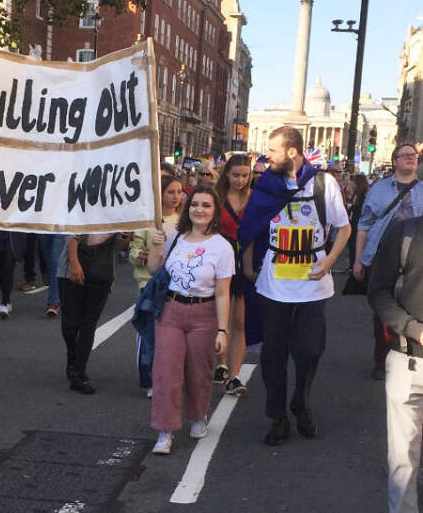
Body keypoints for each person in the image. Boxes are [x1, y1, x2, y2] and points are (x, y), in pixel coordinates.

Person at [240, 126, 350, 445]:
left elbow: (343, 228)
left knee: (308, 350)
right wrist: (248, 268)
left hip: (313, 284)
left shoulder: (323, 182)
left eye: (272, 150)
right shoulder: (267, 185)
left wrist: (328, 262)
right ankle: (277, 416)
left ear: (291, 151)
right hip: (274, 284)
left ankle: (300, 402)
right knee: (273, 355)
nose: (267, 155)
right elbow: (251, 226)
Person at [147, 186, 234, 455]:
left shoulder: (222, 247)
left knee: (198, 374)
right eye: (194, 204)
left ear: (215, 211)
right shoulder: (176, 237)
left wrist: (222, 330)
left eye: (206, 205)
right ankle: (165, 430)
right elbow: (154, 270)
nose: (199, 209)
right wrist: (155, 246)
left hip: (204, 315)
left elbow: (222, 292)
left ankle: (198, 416)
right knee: (166, 372)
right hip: (171, 310)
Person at [368, 216, 423, 513]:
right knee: (403, 459)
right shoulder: (406, 232)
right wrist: (414, 329)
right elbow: (379, 291)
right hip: (409, 359)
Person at [354, 143, 422, 379]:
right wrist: (358, 260)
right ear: (394, 161)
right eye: (405, 155)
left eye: (414, 156)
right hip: (381, 257)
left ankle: (411, 352)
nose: (411, 158)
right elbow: (363, 226)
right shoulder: (379, 190)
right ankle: (382, 358)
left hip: (414, 260)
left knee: (412, 305)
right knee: (382, 310)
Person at [129, 175, 183, 395]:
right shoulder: (147, 221)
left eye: (179, 192)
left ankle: (167, 375)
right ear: (160, 194)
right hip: (149, 282)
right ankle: (148, 376)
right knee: (149, 332)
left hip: (175, 285)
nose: (176, 196)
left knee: (170, 335)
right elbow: (133, 248)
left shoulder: (184, 221)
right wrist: (139, 254)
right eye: (171, 192)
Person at [57, 232, 124, 394]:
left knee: (88, 326)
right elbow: (72, 234)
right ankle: (72, 357)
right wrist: (74, 262)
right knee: (70, 325)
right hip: (71, 271)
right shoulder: (82, 206)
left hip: (102, 271)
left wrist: (126, 237)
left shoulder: (120, 209)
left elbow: (121, 244)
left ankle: (79, 373)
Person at [214, 154, 253, 395]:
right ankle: (221, 362)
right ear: (227, 174)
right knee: (219, 321)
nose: (240, 180)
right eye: (236, 175)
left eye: (245, 175)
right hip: (219, 264)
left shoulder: (254, 199)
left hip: (244, 264)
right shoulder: (216, 198)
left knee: (240, 321)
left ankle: (235, 376)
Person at [347, 173, 369, 268]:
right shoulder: (356, 195)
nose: (352, 184)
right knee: (352, 249)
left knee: (356, 248)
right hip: (352, 227)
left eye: (354, 182)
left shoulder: (364, 197)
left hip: (357, 228)